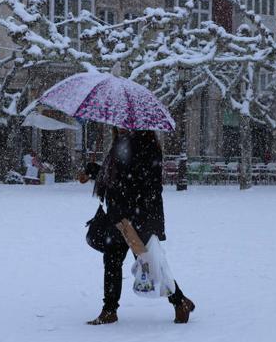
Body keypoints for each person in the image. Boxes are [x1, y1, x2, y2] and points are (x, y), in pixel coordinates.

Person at [81, 127, 195, 325]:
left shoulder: (146, 146)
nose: (119, 126)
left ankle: (180, 301)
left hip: (136, 220)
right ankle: (109, 310)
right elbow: (118, 177)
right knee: (112, 263)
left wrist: (118, 188)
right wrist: (93, 171)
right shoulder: (122, 144)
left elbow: (142, 183)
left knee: (150, 266)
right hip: (120, 217)